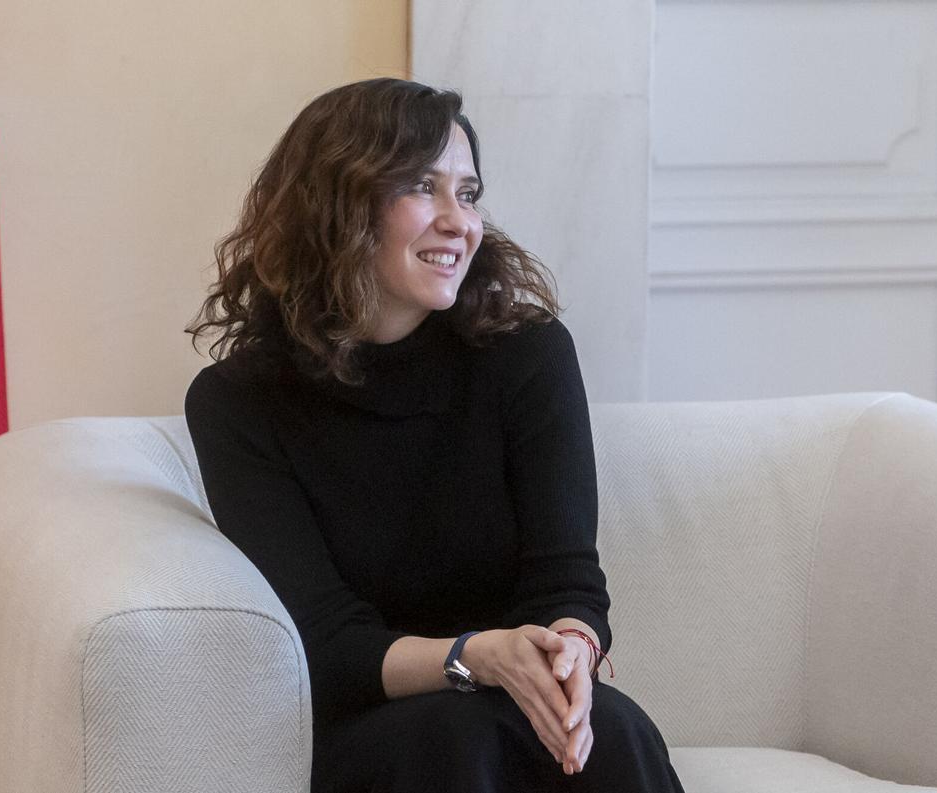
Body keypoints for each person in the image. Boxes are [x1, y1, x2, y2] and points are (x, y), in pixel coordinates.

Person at [184, 78, 685, 792]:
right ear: (339, 204)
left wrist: (571, 647)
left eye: (470, 193)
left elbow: (567, 578)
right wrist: (473, 656)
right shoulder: (239, 403)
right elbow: (326, 645)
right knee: (454, 743)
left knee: (615, 733)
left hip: (514, 692)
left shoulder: (528, 355)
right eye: (424, 187)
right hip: (373, 717)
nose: (461, 221)